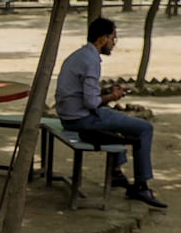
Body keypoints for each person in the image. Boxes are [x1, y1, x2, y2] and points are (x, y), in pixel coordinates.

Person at [56, 17, 166, 208]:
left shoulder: (79, 55)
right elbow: (91, 102)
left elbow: (82, 93)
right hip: (81, 120)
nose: (114, 43)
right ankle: (141, 186)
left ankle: (115, 171)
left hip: (68, 115)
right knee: (144, 128)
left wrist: (106, 92)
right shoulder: (91, 61)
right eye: (113, 38)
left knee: (118, 121)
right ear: (102, 39)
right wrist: (112, 97)